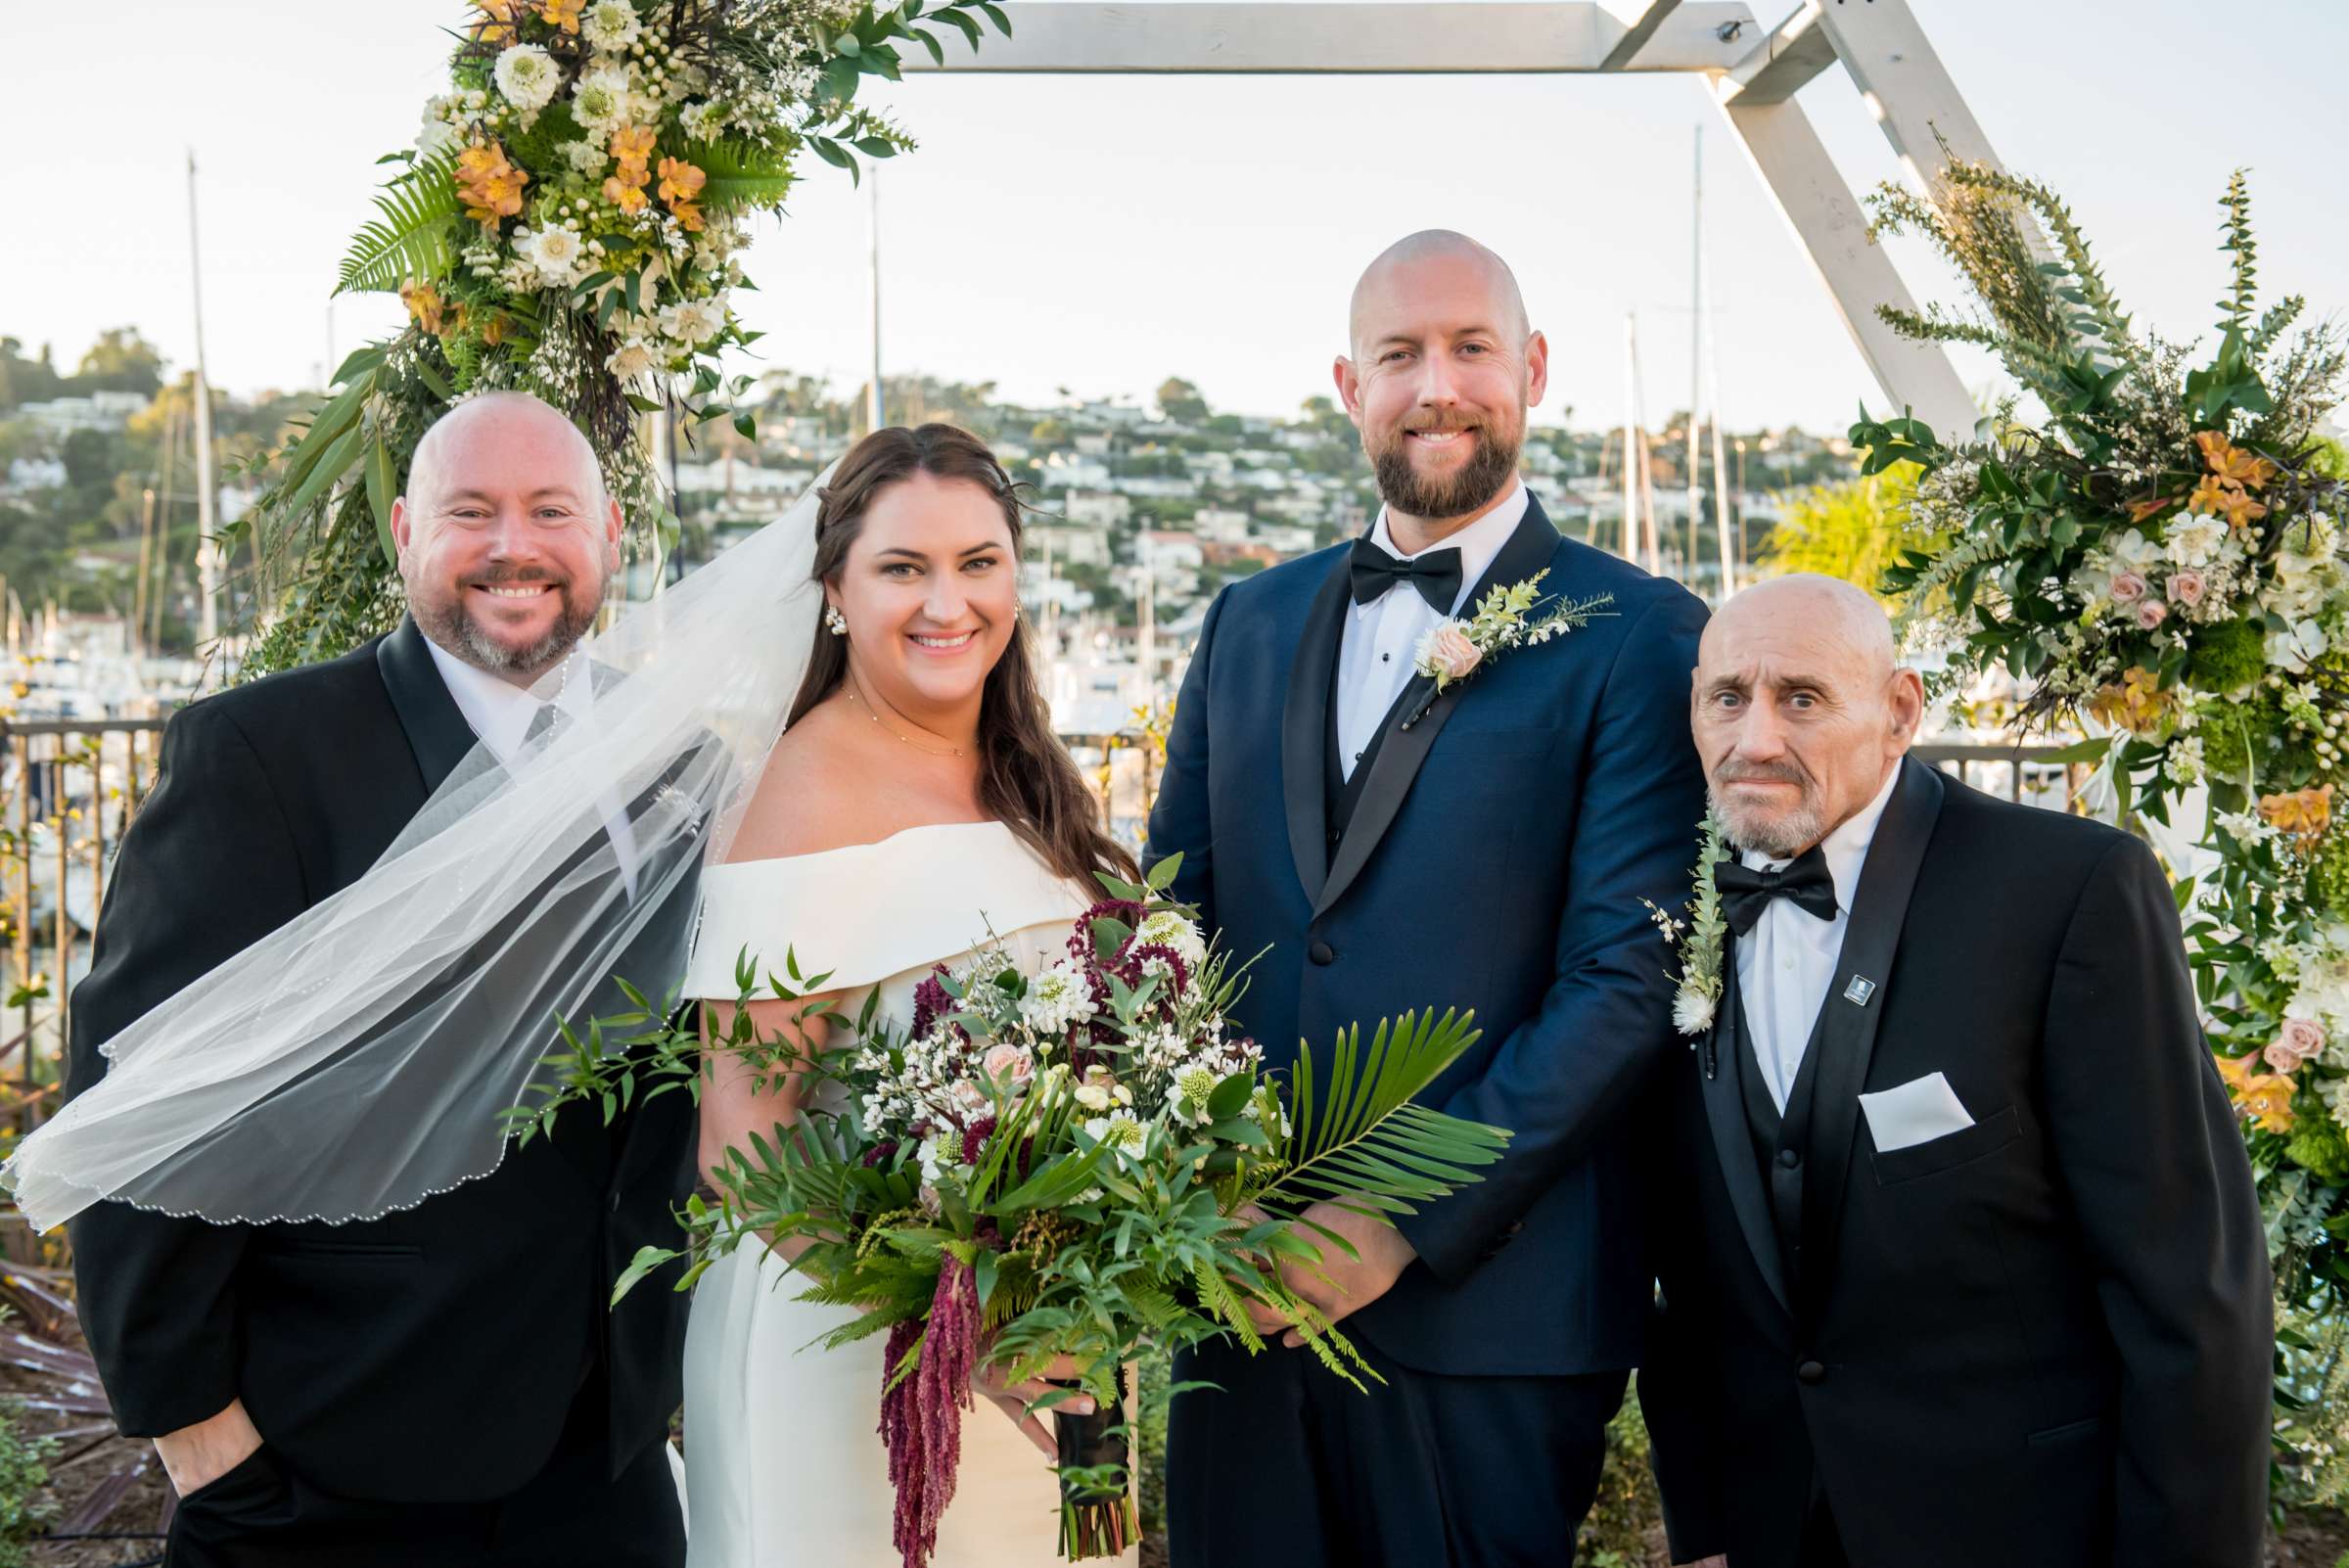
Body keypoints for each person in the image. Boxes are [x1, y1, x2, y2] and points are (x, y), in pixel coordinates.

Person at [60, 392, 700, 1567]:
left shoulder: (675, 756)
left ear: (610, 532)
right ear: (405, 531)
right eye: (472, 511)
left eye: (551, 509)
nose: (515, 545)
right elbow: (135, 1101)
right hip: (333, 1467)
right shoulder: (263, 754)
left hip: (603, 1468)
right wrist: (200, 1437)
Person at [1146, 230, 1709, 1566]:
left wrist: (1398, 1218)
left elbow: (1624, 981)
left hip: (1489, 1321)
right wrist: (1191, 1199)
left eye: (1471, 348)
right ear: (1350, 384)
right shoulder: (1246, 621)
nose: (1436, 385)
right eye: (1400, 354)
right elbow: (1165, 932)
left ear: (1536, 370)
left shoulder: (1643, 631)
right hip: (1237, 1301)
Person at [1639, 574, 2272, 1568]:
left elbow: (2188, 1288)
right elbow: (1686, 1270)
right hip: (1767, 1525)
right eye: (1728, 697)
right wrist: (1706, 1526)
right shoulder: (1662, 909)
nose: (1754, 738)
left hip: (2020, 1525)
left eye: (1802, 697)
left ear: (1900, 711)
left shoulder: (2070, 891)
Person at [676, 423, 1141, 1567]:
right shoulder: (800, 796)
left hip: (1055, 1339)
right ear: (834, 589)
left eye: (979, 563)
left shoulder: (1031, 779)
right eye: (904, 568)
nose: (949, 602)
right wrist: (960, 1337)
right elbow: (745, 1145)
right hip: (856, 1362)